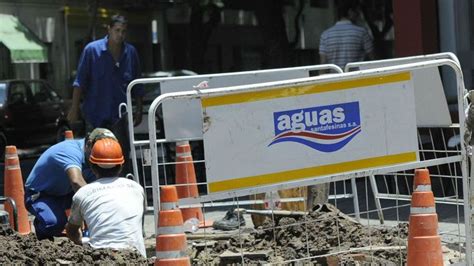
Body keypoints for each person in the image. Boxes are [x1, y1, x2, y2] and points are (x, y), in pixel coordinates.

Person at [24, 128, 118, 240]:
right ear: (88, 144)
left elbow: (101, 189)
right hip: (41, 194)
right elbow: (76, 181)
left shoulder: (93, 156)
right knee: (54, 224)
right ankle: (42, 231)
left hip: (65, 193)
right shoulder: (70, 151)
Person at [65, 138, 146, 257]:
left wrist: (80, 242)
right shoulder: (137, 188)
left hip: (103, 259)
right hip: (136, 258)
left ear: (92, 167)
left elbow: (72, 232)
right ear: (121, 165)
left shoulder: (83, 193)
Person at [319, 0, 375, 69]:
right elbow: (373, 59)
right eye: (357, 12)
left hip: (335, 78)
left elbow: (323, 63)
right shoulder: (362, 32)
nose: (358, 15)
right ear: (350, 12)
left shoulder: (325, 35)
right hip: (356, 78)